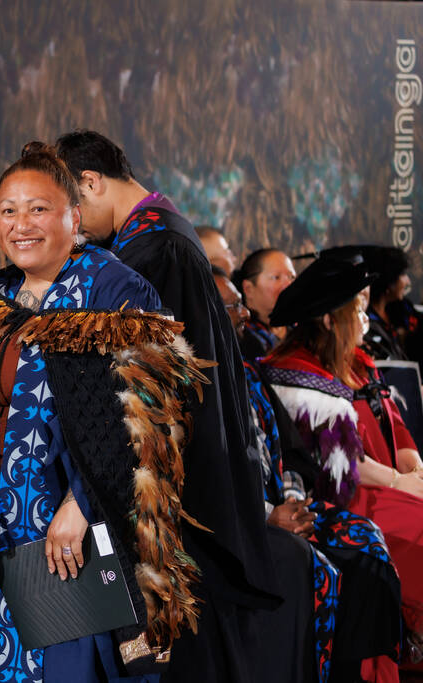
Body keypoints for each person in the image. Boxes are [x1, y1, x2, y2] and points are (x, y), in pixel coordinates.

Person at [0, 141, 207, 682]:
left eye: (39, 209)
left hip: (70, 533)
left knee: (67, 670)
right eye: (8, 210)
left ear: (74, 215)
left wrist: (81, 502)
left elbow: (156, 413)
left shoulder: (112, 288)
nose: (22, 224)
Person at [56, 130, 279, 682]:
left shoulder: (153, 252)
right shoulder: (164, 236)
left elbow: (147, 396)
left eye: (68, 206)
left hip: (173, 495)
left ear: (91, 183)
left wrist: (85, 497)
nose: (71, 224)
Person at [214, 268, 403, 683]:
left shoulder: (247, 370)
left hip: (284, 504)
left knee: (368, 545)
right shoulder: (197, 382)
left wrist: (291, 498)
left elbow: (294, 454)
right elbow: (208, 477)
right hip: (239, 522)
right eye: (234, 306)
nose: (245, 315)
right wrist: (269, 513)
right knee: (330, 564)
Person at [261, 256, 423, 678]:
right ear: (331, 321)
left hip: (394, 491)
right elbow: (344, 467)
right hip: (353, 504)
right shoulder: (294, 374)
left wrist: (415, 470)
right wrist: (404, 484)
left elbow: (397, 428)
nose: (365, 316)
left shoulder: (358, 363)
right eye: (356, 308)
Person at [234, 248, 297, 362]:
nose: (288, 284)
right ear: (248, 288)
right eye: (276, 277)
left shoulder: (300, 330)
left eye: (291, 277)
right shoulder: (240, 336)